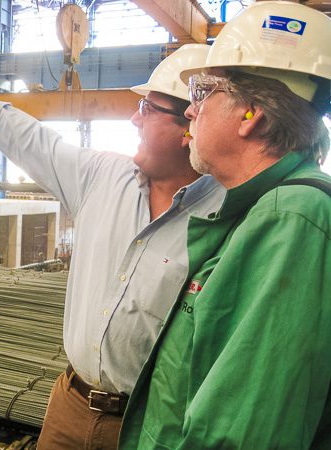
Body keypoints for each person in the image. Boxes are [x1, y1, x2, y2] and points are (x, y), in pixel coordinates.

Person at [0, 44, 226, 449]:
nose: (135, 118)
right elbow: (35, 142)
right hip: (72, 403)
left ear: (190, 124)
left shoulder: (225, 214)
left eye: (149, 109)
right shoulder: (103, 176)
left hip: (153, 423)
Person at [118, 2, 331, 449]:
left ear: (251, 115)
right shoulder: (258, 211)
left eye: (203, 93)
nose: (191, 113)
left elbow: (246, 428)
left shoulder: (289, 218)